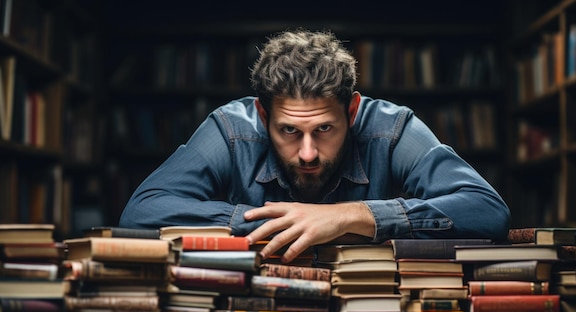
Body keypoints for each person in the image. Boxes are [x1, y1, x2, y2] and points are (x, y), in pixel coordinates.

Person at [119, 29, 510, 263]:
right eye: (289, 131)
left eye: (324, 129)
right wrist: (277, 223)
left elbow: (487, 210)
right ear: (262, 114)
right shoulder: (232, 128)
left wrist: (352, 215)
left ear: (352, 110)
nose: (308, 152)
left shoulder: (390, 127)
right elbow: (141, 213)